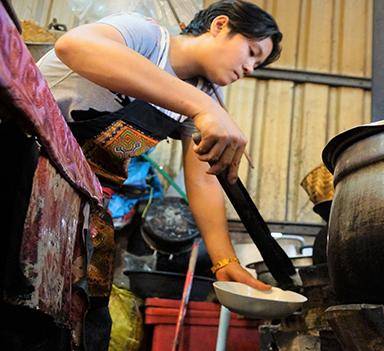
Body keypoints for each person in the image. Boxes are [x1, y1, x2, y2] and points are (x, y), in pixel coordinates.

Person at [37, 0, 280, 348]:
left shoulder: (203, 93)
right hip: (26, 164)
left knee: (74, 320)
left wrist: (225, 260)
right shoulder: (148, 36)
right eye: (252, 51)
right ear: (220, 25)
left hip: (80, 198)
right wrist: (203, 107)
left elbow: (202, 179)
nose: (251, 68)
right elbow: (75, 46)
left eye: (258, 63)